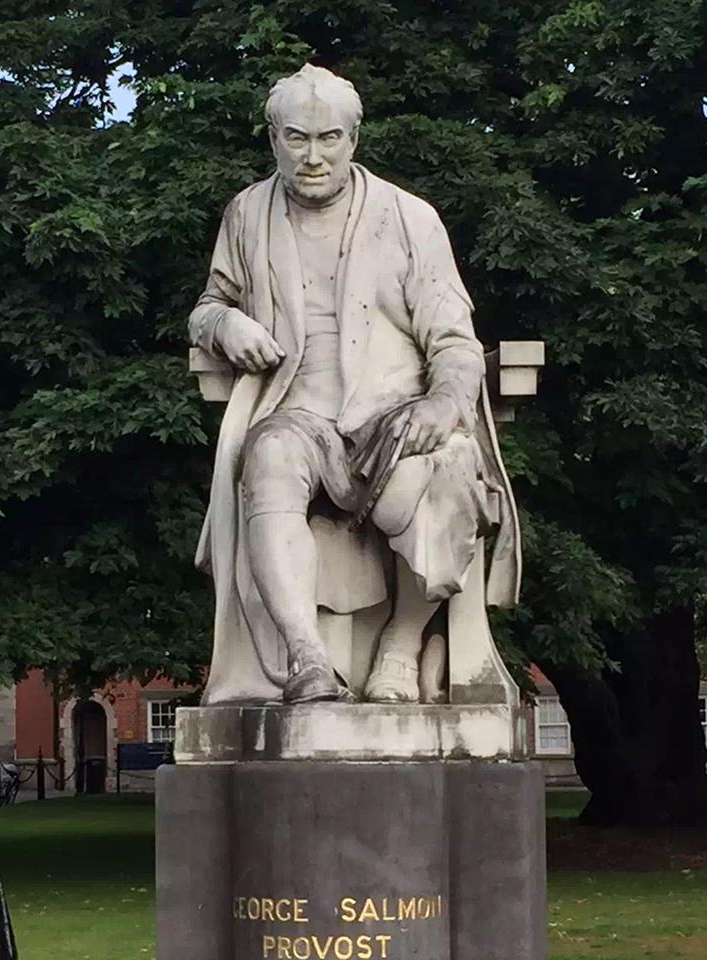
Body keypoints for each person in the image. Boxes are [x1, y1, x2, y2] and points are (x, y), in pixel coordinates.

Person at [190, 64, 519, 706]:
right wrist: (226, 324)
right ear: (273, 139)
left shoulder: (410, 218)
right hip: (298, 413)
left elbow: (455, 341)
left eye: (329, 139)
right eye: (296, 139)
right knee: (269, 455)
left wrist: (443, 403)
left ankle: (401, 644)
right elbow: (207, 306)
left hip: (395, 413)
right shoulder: (247, 213)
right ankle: (307, 659)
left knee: (453, 467)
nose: (312, 157)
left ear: (354, 139)